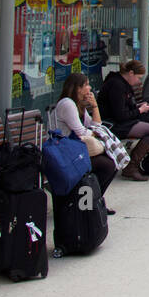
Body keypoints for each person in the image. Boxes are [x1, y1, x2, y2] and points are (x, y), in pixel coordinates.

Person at [53, 73, 118, 212]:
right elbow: (81, 132)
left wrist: (95, 106)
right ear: (77, 88)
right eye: (86, 85)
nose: (89, 88)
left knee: (112, 162)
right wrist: (94, 132)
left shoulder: (78, 104)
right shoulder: (67, 104)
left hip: (76, 149)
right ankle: (89, 203)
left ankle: (93, 201)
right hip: (65, 152)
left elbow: (96, 124)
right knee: (107, 165)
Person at [97, 60, 149, 180]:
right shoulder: (117, 85)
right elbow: (120, 115)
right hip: (114, 124)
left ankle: (133, 165)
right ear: (131, 73)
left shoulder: (121, 83)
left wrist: (138, 107)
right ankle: (131, 167)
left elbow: (123, 108)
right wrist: (140, 110)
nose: (139, 81)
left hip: (121, 121)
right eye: (138, 77)